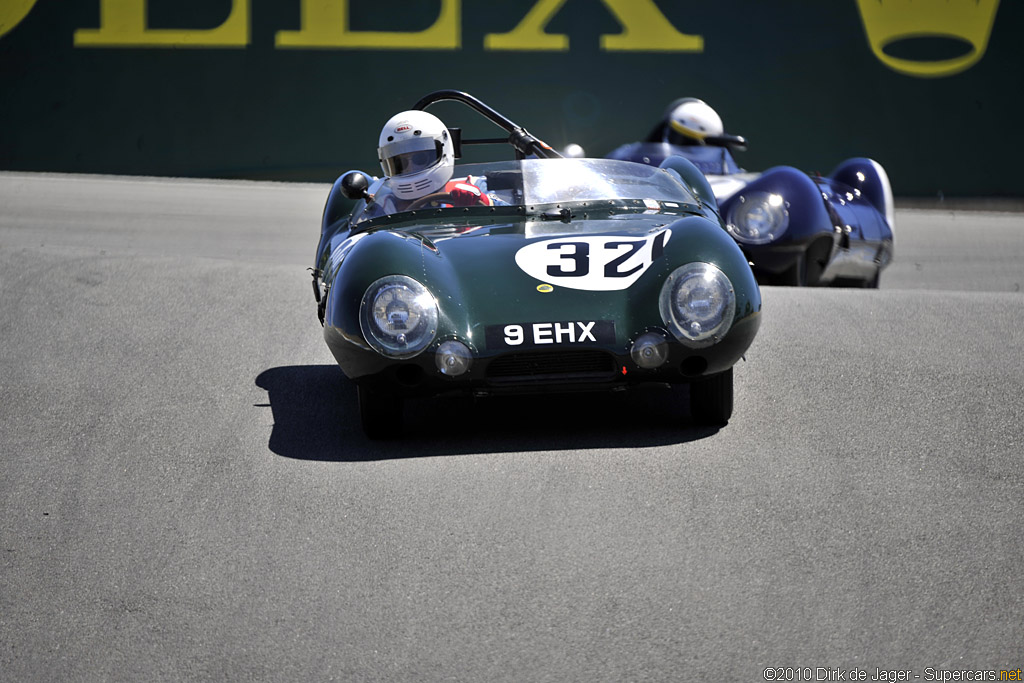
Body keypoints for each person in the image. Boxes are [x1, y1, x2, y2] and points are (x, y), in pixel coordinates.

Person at [373, 110, 492, 214]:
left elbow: (508, 216)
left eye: (420, 159)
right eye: (399, 164)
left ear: (444, 150)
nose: (410, 168)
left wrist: (486, 202)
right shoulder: (385, 205)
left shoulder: (475, 187)